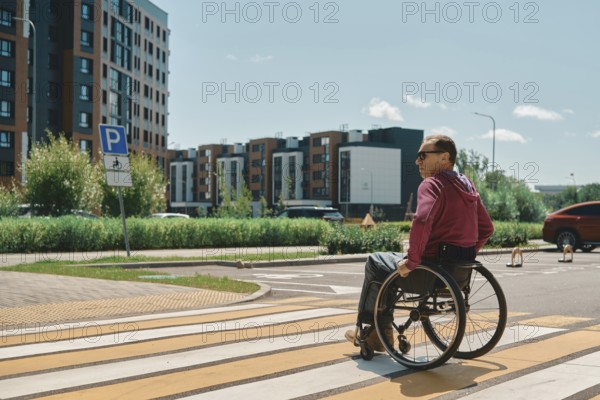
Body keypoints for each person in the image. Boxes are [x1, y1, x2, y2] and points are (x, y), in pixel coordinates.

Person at [345, 134, 494, 352]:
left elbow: (422, 220)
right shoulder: (467, 186)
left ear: (444, 158)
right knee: (389, 263)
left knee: (376, 262)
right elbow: (487, 228)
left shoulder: (432, 184)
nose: (417, 161)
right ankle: (380, 330)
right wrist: (466, 254)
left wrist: (413, 261)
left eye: (423, 155)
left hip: (428, 272)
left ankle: (375, 332)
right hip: (456, 273)